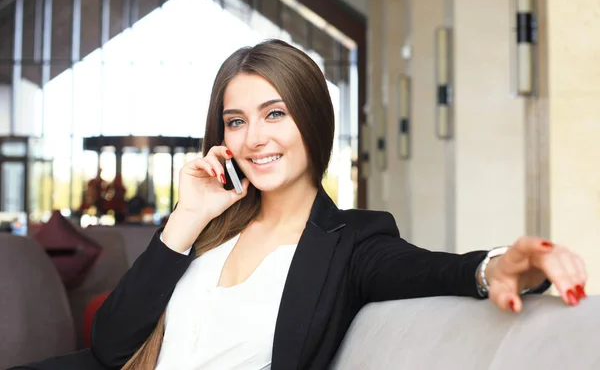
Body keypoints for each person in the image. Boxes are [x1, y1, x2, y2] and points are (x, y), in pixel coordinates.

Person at [16, 39, 587, 370]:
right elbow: (112, 348)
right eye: (236, 121)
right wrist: (187, 219)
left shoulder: (354, 241)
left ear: (312, 120)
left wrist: (499, 265)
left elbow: (433, 268)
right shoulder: (207, 230)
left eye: (275, 114)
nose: (255, 137)